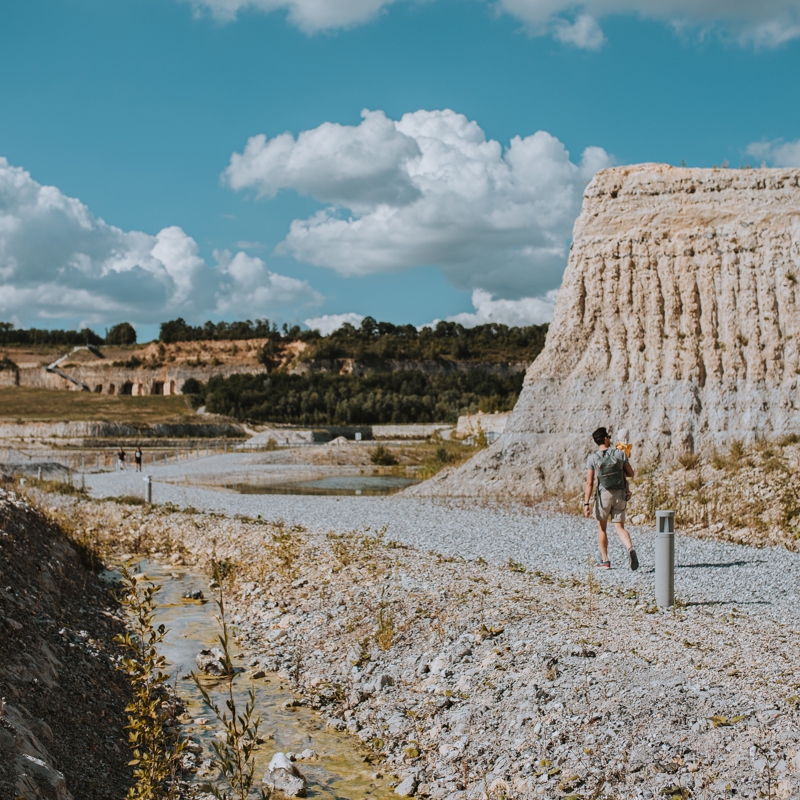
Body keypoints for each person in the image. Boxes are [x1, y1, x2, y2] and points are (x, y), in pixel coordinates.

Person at [583, 426, 639, 571]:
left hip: (604, 496)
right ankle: (630, 548)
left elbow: (589, 483)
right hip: (620, 494)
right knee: (619, 527)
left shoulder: (592, 458)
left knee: (602, 528)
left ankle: (605, 560)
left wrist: (586, 504)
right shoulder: (619, 453)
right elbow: (631, 473)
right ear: (606, 438)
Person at [616, 427, 633, 500]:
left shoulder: (619, 446)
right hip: (624, 465)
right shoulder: (626, 447)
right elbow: (628, 455)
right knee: (625, 481)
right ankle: (628, 492)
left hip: (620, 466)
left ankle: (627, 492)